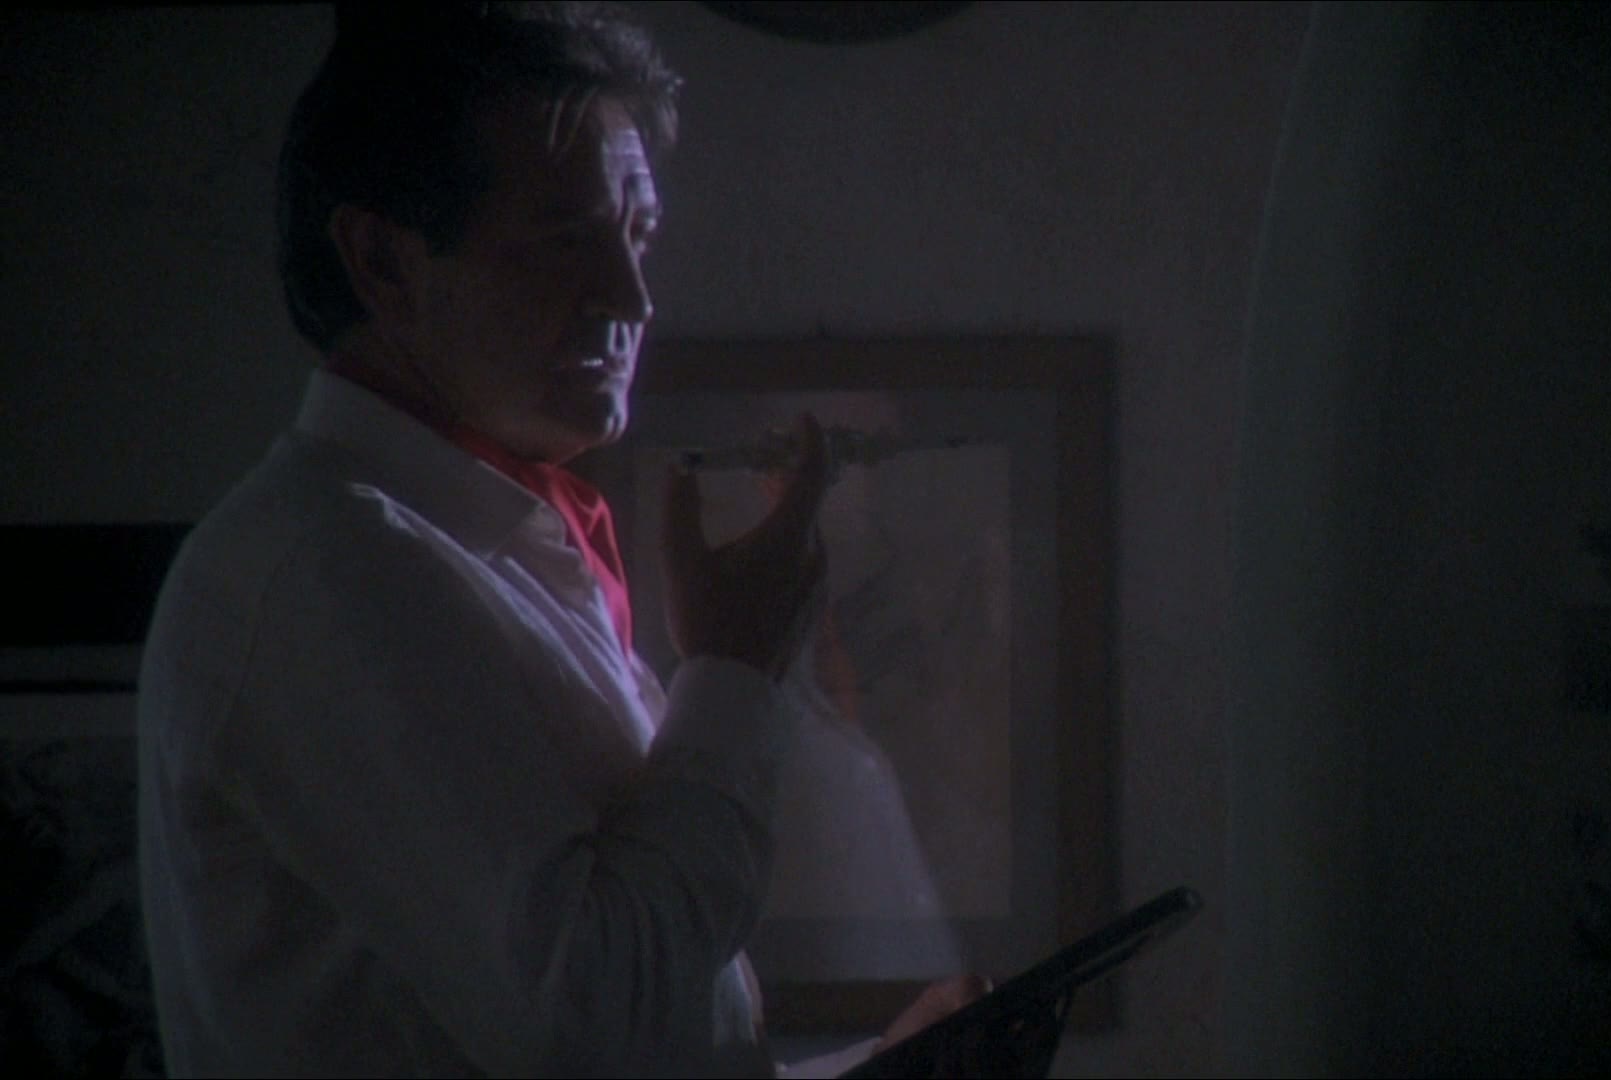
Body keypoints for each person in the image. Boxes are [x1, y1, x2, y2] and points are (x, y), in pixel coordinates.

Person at [136, 6, 980, 1076]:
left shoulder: (472, 555)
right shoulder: (324, 569)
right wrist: (735, 671)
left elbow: (636, 1031)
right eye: (567, 239)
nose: (631, 296)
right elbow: (588, 1020)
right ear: (383, 263)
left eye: (637, 236)